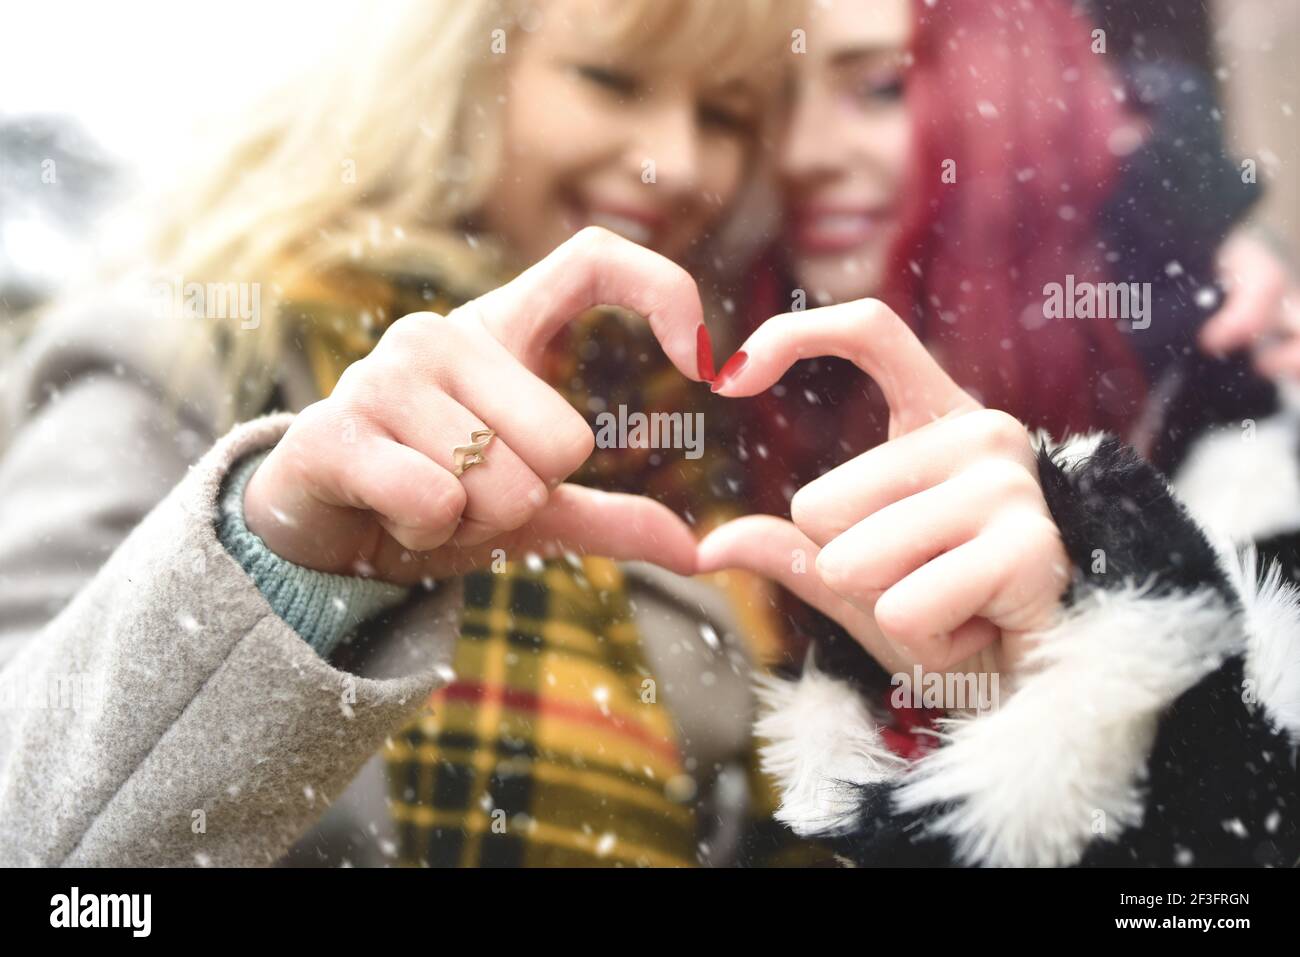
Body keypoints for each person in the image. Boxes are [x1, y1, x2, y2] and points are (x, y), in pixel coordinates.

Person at [698, 0, 1300, 866]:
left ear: (1011, 92)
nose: (802, 155)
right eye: (773, 103)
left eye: (878, 87)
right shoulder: (747, 379)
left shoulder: (1232, 401)